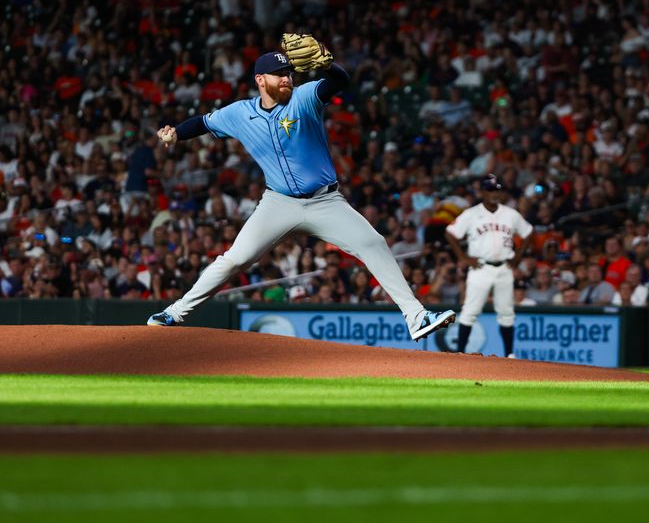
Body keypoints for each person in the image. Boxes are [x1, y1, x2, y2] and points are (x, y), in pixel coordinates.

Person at [147, 49, 455, 341]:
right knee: (234, 260)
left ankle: (416, 317)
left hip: (326, 201)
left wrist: (327, 65)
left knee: (373, 243)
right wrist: (175, 132)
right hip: (278, 203)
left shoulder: (305, 98)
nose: (286, 78)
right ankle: (175, 313)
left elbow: (339, 82)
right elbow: (203, 122)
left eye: (288, 73)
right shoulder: (239, 113)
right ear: (260, 80)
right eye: (278, 74)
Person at [445, 174, 534, 356]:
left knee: (506, 312)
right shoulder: (471, 214)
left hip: (504, 268)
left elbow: (529, 232)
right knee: (470, 311)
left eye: (496, 190)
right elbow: (450, 233)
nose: (494, 193)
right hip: (481, 268)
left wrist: (518, 255)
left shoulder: (510, 214)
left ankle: (510, 355)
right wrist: (463, 257)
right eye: (490, 190)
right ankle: (460, 353)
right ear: (482, 192)